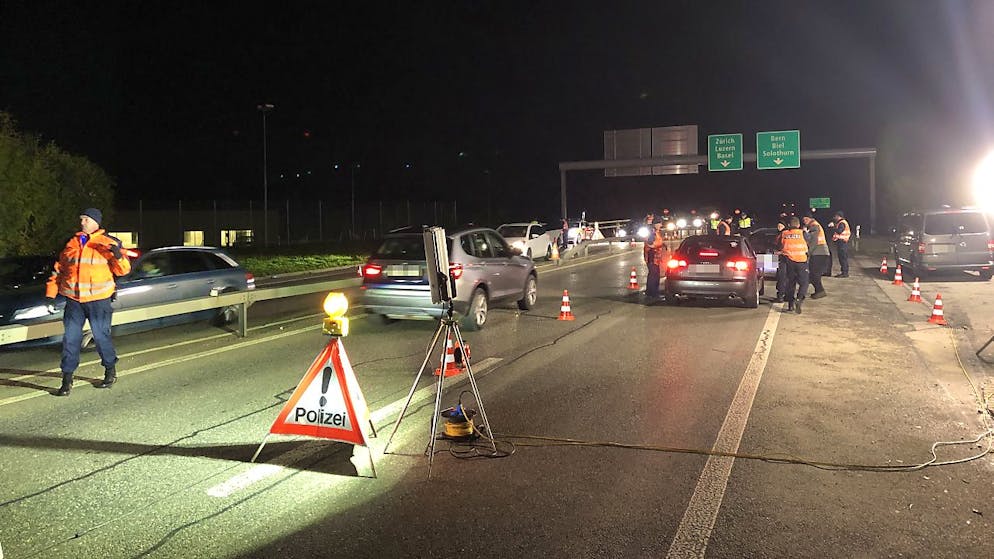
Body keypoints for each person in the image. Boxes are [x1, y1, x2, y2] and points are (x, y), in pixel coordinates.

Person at [46, 208, 131, 396]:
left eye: (85, 219)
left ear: (95, 222)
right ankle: (66, 381)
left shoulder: (108, 243)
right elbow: (58, 271)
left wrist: (117, 255)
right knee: (70, 340)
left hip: (98, 300)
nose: (82, 222)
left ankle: (110, 371)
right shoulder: (71, 243)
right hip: (74, 301)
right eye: (81, 219)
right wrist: (50, 295)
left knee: (101, 337)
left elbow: (123, 271)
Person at [778, 217, 809, 314]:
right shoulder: (803, 233)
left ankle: (790, 305)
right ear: (798, 225)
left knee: (791, 283)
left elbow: (779, 245)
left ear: (789, 225)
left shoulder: (784, 234)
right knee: (804, 283)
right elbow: (810, 243)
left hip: (789, 261)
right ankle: (799, 299)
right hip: (801, 261)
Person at [802, 214, 830, 299]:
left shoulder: (814, 226)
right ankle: (818, 291)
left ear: (809, 219)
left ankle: (820, 291)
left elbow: (813, 241)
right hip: (819, 253)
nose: (804, 222)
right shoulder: (813, 226)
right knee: (814, 274)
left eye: (805, 220)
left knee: (814, 274)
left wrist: (808, 253)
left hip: (819, 253)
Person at [644, 220, 664, 301]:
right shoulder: (652, 233)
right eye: (659, 223)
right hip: (652, 256)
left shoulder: (657, 232)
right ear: (655, 225)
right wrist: (658, 245)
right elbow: (650, 244)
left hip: (656, 257)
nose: (660, 225)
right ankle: (654, 293)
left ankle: (649, 292)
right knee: (654, 275)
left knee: (653, 274)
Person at [829, 211, 851, 277]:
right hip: (842, 243)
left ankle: (844, 273)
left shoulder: (842, 223)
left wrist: (833, 227)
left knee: (843, 258)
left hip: (842, 243)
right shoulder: (841, 223)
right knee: (843, 258)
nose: (834, 217)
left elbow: (839, 231)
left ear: (838, 216)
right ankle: (844, 272)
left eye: (835, 216)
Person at [774, 220, 788, 302]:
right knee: (781, 277)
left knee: (782, 277)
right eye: (778, 226)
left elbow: (784, 247)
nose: (779, 227)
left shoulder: (784, 234)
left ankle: (781, 296)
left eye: (781, 226)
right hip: (779, 257)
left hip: (783, 258)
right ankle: (782, 295)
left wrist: (780, 252)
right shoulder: (778, 234)